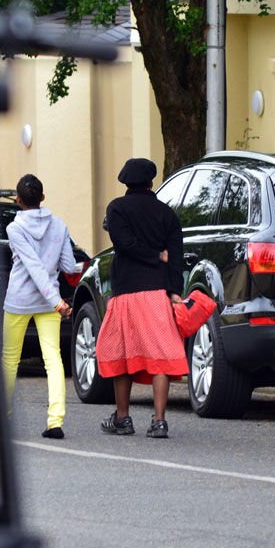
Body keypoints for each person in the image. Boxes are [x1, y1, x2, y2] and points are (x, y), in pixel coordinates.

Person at [95, 157, 187, 439]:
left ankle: (122, 418)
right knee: (159, 355)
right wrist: (174, 291)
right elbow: (177, 257)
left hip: (126, 292)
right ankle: (159, 421)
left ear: (125, 181)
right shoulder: (166, 214)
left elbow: (123, 243)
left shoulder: (117, 209)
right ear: (151, 182)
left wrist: (150, 254)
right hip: (158, 292)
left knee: (122, 354)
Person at [0, 174, 79, 439]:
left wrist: (55, 301)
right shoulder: (59, 225)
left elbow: (31, 265)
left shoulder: (15, 228)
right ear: (43, 198)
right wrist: (56, 300)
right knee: (53, 359)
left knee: (9, 358)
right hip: (51, 303)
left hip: (20, 300)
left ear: (18, 200)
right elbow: (68, 266)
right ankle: (55, 421)